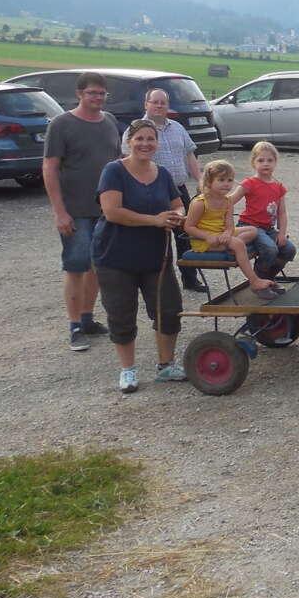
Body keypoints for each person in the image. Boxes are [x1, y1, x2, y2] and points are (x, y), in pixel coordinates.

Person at [93, 119, 188, 393]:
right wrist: (154, 221)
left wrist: (177, 217)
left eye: (151, 139)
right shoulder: (114, 171)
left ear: (157, 144)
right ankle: (128, 370)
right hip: (115, 255)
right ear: (129, 142)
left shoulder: (163, 173)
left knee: (168, 309)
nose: (145, 144)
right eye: (140, 139)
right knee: (121, 313)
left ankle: (166, 365)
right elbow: (112, 211)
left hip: (156, 256)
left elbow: (177, 203)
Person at [43, 71, 121, 352]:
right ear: (79, 94)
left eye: (102, 93)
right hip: (75, 210)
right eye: (92, 93)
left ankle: (88, 318)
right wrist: (59, 212)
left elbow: (118, 163)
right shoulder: (62, 124)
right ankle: (74, 325)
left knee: (98, 267)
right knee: (76, 267)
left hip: (107, 211)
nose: (98, 98)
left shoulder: (110, 121)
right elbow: (50, 168)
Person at [122, 87, 205, 292]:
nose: (159, 106)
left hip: (179, 190)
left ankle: (190, 279)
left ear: (168, 105)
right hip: (152, 192)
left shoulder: (177, 127)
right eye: (155, 102)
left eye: (163, 102)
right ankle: (155, 282)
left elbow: (189, 156)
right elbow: (128, 161)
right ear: (146, 104)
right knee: (155, 237)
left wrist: (201, 180)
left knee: (185, 234)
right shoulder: (135, 130)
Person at [183, 160, 283, 300]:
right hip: (206, 240)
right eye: (221, 180)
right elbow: (188, 227)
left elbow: (230, 225)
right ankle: (254, 281)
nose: (226, 184)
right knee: (238, 244)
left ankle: (229, 245)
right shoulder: (200, 203)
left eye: (229, 180)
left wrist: (227, 233)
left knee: (253, 230)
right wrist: (207, 236)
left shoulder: (227, 201)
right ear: (209, 182)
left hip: (222, 234)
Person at [232, 140, 296, 279]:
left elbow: (282, 212)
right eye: (261, 160)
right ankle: (259, 280)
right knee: (270, 249)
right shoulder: (249, 183)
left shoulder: (278, 186)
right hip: (250, 226)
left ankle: (268, 277)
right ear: (253, 162)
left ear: (275, 162)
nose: (265, 163)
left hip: (268, 229)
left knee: (289, 250)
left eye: (270, 160)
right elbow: (229, 201)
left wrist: (282, 233)